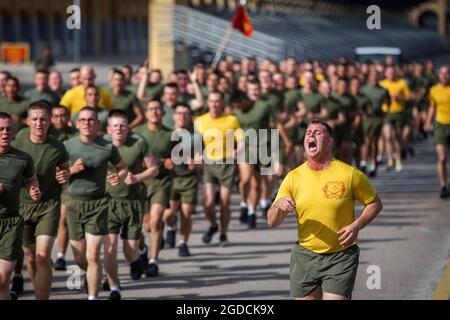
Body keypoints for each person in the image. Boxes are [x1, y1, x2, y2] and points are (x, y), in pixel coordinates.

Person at [267, 119, 383, 300]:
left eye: (317, 132)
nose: (310, 135)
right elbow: (272, 222)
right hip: (305, 256)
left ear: (330, 141)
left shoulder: (349, 174)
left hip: (341, 255)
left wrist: (357, 225)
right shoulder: (293, 177)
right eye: (307, 133)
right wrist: (278, 207)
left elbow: (374, 203)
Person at [64, 106, 127, 300]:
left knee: (93, 255)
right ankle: (92, 276)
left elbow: (122, 168)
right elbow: (55, 175)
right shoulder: (66, 146)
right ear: (77, 124)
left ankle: (92, 296)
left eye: (91, 120)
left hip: (99, 205)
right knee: (79, 258)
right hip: (74, 204)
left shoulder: (107, 147)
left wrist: (119, 177)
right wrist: (72, 170)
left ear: (98, 124)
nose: (87, 123)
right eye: (83, 120)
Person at [11, 100, 70, 300]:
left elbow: (65, 169)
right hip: (22, 205)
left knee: (43, 256)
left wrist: (65, 175)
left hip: (48, 205)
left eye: (43, 119)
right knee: (30, 256)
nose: (39, 123)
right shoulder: (17, 141)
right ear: (28, 121)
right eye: (35, 119)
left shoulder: (57, 145)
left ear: (49, 121)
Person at [103, 110, 158, 300]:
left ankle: (137, 257)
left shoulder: (138, 143)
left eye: (122, 125)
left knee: (128, 252)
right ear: (109, 129)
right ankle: (114, 286)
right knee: (109, 248)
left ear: (128, 128)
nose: (119, 129)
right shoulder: (101, 145)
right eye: (115, 126)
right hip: (109, 203)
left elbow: (153, 169)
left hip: (133, 202)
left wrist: (137, 178)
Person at [0, 112, 40, 300]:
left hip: (10, 222)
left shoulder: (23, 159)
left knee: (2, 279)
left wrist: (34, 190)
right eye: (0, 129)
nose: (5, 132)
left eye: (8, 128)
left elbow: (31, 179)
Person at [194, 91, 244, 246]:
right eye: (211, 101)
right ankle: (213, 225)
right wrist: (196, 154)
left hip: (226, 163)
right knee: (207, 202)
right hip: (208, 163)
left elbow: (241, 140)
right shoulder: (200, 121)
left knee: (224, 201)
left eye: (217, 101)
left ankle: (223, 234)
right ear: (208, 103)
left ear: (222, 103)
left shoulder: (231, 120)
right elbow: (194, 142)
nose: (214, 104)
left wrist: (238, 151)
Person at [134, 99, 175, 277]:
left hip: (161, 181)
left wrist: (174, 161)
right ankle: (143, 250)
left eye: (158, 109)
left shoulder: (171, 134)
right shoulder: (137, 133)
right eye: (151, 109)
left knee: (156, 220)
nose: (154, 112)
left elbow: (179, 157)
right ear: (146, 112)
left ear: (163, 113)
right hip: (141, 182)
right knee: (144, 225)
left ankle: (153, 261)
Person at [163, 103, 201, 256]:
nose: (182, 116)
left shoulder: (196, 136)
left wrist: (196, 163)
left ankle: (183, 243)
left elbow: (200, 156)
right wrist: (165, 161)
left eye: (185, 113)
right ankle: (171, 227)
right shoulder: (166, 134)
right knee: (168, 214)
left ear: (190, 116)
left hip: (188, 179)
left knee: (186, 214)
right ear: (173, 116)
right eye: (179, 113)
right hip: (170, 179)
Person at [49, 105, 78, 271]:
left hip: (70, 182)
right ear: (51, 118)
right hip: (49, 183)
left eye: (62, 116)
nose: (59, 119)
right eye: (56, 116)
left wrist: (70, 170)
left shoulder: (75, 135)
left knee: (63, 219)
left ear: (67, 117)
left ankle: (60, 255)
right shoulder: (48, 134)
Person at [424, 66, 450, 198]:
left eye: (447, 74)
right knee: (442, 157)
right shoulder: (433, 90)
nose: (444, 76)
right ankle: (443, 186)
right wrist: (428, 122)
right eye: (442, 74)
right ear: (439, 75)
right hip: (440, 125)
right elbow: (432, 107)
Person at [379, 66, 411, 172]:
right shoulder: (382, 84)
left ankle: (398, 159)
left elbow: (409, 97)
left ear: (396, 73)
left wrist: (399, 97)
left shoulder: (402, 83)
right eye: (389, 72)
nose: (391, 74)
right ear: (385, 74)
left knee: (397, 136)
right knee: (388, 136)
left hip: (399, 112)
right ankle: (389, 160)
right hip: (387, 113)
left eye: (393, 72)